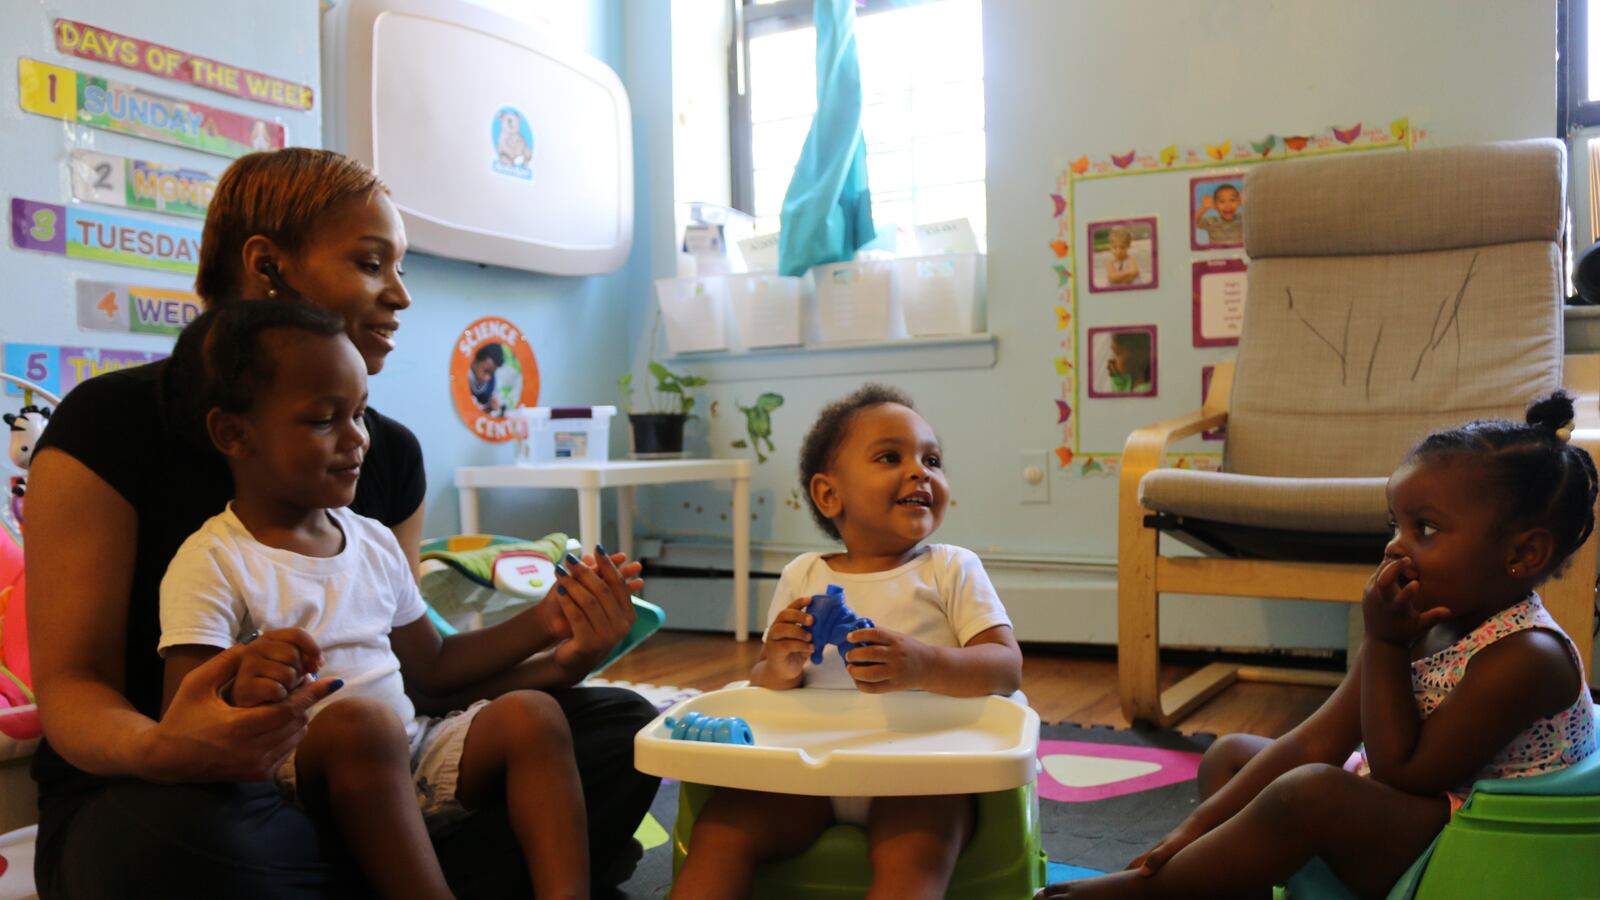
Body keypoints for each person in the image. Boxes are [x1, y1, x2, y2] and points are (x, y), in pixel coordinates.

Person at [26, 148, 659, 898]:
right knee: (159, 846)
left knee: (622, 730)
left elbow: (416, 676)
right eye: (371, 264)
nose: (401, 296)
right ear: (268, 266)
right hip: (187, 789)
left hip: (387, 768)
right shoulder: (109, 424)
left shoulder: (385, 454)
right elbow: (72, 687)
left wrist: (565, 650)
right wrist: (168, 748)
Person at [1038, 392, 1599, 899]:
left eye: (1424, 529)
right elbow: (1318, 739)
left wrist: (1382, 644)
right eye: (1395, 525)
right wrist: (1192, 830)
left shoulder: (1527, 657)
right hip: (1409, 807)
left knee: (1310, 793)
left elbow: (1406, 772)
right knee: (1232, 755)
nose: (1395, 547)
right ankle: (1204, 882)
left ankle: (1152, 897)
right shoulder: (1425, 620)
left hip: (1466, 843)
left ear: (1523, 555)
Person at [160, 300, 620, 899]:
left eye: (359, 414)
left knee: (532, 713)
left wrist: (547, 619)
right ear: (233, 433)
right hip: (299, 778)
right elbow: (185, 716)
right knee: (363, 722)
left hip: (412, 751)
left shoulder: (372, 540)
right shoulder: (215, 559)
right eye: (325, 419)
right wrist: (246, 686)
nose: (357, 439)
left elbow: (433, 665)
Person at [670, 384, 1023, 900]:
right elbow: (764, 681)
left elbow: (1005, 667)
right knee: (724, 829)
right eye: (890, 457)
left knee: (916, 855)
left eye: (933, 460)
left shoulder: (951, 568)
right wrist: (783, 664)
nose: (920, 471)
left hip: (921, 767)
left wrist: (924, 665)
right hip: (804, 770)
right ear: (829, 494)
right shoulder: (802, 574)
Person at [1193, 182, 1243, 247]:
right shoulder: (1211, 221)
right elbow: (1192, 221)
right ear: (1215, 205)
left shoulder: (1243, 219)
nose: (1227, 205)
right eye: (1222, 201)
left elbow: (1258, 219)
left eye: (1232, 200)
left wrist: (1248, 202)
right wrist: (1204, 207)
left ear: (1239, 202)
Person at [468, 344, 506, 416]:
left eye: (492, 373)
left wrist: (490, 408)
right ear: (475, 360)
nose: (487, 378)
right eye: (486, 371)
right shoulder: (463, 377)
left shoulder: (492, 382)